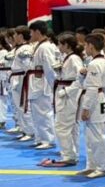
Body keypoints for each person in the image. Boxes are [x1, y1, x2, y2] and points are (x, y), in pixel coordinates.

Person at [40, 34, 83, 168]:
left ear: (67, 45)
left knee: (62, 126)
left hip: (68, 95)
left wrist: (66, 91)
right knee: (70, 126)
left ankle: (68, 155)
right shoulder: (68, 57)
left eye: (60, 44)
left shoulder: (74, 58)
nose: (58, 47)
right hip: (66, 92)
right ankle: (71, 153)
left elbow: (81, 76)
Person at [77, 34, 105, 178]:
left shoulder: (95, 64)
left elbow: (92, 87)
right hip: (98, 98)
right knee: (90, 135)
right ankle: (92, 165)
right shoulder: (101, 62)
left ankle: (103, 167)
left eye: (86, 45)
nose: (85, 48)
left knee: (97, 135)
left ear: (91, 46)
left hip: (94, 100)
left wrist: (86, 108)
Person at [25, 21, 60, 150]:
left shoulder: (45, 47)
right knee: (36, 113)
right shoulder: (39, 46)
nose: (30, 35)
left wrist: (53, 85)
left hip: (43, 84)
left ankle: (48, 139)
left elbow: (50, 68)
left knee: (44, 113)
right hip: (36, 82)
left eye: (31, 32)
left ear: (38, 32)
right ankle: (40, 138)